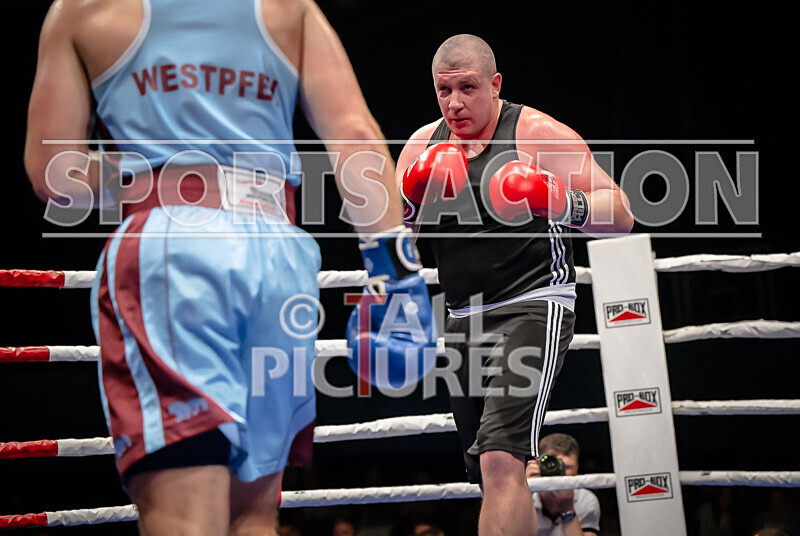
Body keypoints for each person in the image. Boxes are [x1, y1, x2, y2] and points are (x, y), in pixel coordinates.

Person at [25, 1, 432, 535]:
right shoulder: (291, 9)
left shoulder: (84, 11)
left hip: (171, 250)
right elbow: (354, 137)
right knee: (254, 516)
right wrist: (396, 274)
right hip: (278, 254)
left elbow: (54, 173)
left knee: (182, 516)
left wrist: (152, 170)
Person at [396, 34, 632, 535]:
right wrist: (411, 204)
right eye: (444, 90)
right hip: (463, 318)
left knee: (502, 457)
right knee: (490, 472)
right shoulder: (422, 146)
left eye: (467, 87)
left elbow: (622, 213)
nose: (455, 102)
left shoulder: (534, 133)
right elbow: (397, 239)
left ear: (495, 83)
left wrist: (559, 201)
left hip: (534, 305)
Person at [526, 434, 600, 536]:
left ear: (577, 468)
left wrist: (567, 509)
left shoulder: (586, 500)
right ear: (538, 464)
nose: (561, 471)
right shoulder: (521, 496)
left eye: (567, 467)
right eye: (553, 465)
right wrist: (526, 491)